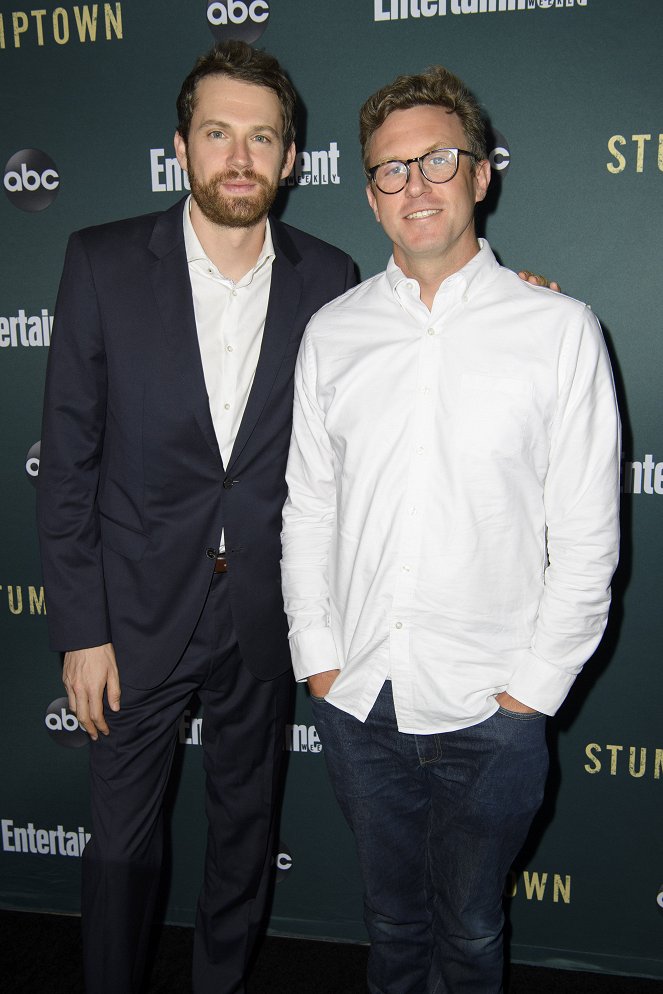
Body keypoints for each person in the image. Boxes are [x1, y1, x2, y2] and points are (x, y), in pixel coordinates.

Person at [280, 65, 620, 994]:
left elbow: (586, 540)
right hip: (359, 704)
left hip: (491, 711)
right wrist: (319, 657)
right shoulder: (333, 333)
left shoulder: (557, 331)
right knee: (389, 924)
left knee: (469, 933)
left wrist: (527, 697)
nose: (415, 185)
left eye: (437, 159)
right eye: (391, 170)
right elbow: (309, 507)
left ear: (480, 174)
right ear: (370, 196)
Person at [36, 40, 356, 994]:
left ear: (291, 158)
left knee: (244, 840)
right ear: (182, 146)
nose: (240, 157)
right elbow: (66, 466)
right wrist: (83, 628)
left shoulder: (330, 279)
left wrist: (518, 304)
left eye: (262, 137)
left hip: (263, 610)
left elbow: (415, 359)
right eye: (219, 133)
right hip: (133, 619)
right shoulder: (98, 262)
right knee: (121, 854)